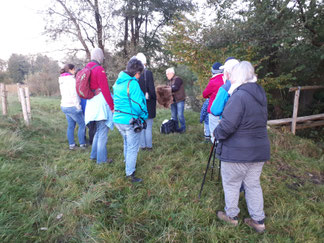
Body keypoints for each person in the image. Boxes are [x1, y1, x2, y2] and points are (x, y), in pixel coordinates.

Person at [214, 61, 270, 233]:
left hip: (237, 152)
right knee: (253, 184)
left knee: (231, 184)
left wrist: (217, 132)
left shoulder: (239, 96)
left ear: (237, 76)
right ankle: (258, 220)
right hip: (258, 151)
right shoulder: (260, 95)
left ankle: (231, 216)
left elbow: (227, 126)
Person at [113, 57, 148, 183]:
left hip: (117, 119)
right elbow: (138, 105)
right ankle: (130, 174)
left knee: (126, 142)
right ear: (136, 73)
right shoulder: (132, 83)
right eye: (140, 74)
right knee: (133, 147)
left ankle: (127, 163)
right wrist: (144, 116)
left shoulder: (118, 82)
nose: (139, 77)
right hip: (130, 120)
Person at [84, 48, 114, 164]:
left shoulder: (87, 69)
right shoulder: (99, 69)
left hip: (90, 104)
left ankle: (93, 155)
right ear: (99, 56)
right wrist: (112, 106)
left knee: (97, 131)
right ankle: (101, 160)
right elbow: (106, 90)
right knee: (102, 134)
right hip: (100, 105)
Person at [58, 64, 86, 150]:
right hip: (72, 106)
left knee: (71, 126)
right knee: (82, 125)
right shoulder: (71, 80)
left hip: (64, 105)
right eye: (74, 69)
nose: (75, 71)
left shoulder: (61, 79)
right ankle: (82, 145)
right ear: (71, 70)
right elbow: (74, 95)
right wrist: (78, 107)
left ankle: (72, 145)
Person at [136, 53, 156, 150]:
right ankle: (149, 146)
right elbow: (152, 89)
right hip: (148, 103)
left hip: (138, 104)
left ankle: (142, 146)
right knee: (148, 127)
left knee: (141, 125)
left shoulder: (134, 75)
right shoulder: (148, 73)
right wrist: (154, 97)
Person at [202, 62, 223, 142]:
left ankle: (217, 149)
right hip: (227, 109)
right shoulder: (228, 79)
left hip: (215, 109)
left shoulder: (213, 81)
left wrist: (210, 96)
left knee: (214, 130)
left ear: (213, 71)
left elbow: (204, 94)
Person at [166, 67, 186, 133]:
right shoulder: (169, 82)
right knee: (173, 116)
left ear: (172, 73)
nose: (166, 75)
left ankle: (183, 129)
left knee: (180, 115)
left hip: (180, 100)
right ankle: (176, 129)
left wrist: (167, 89)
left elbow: (175, 88)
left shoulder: (178, 79)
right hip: (173, 101)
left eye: (167, 74)